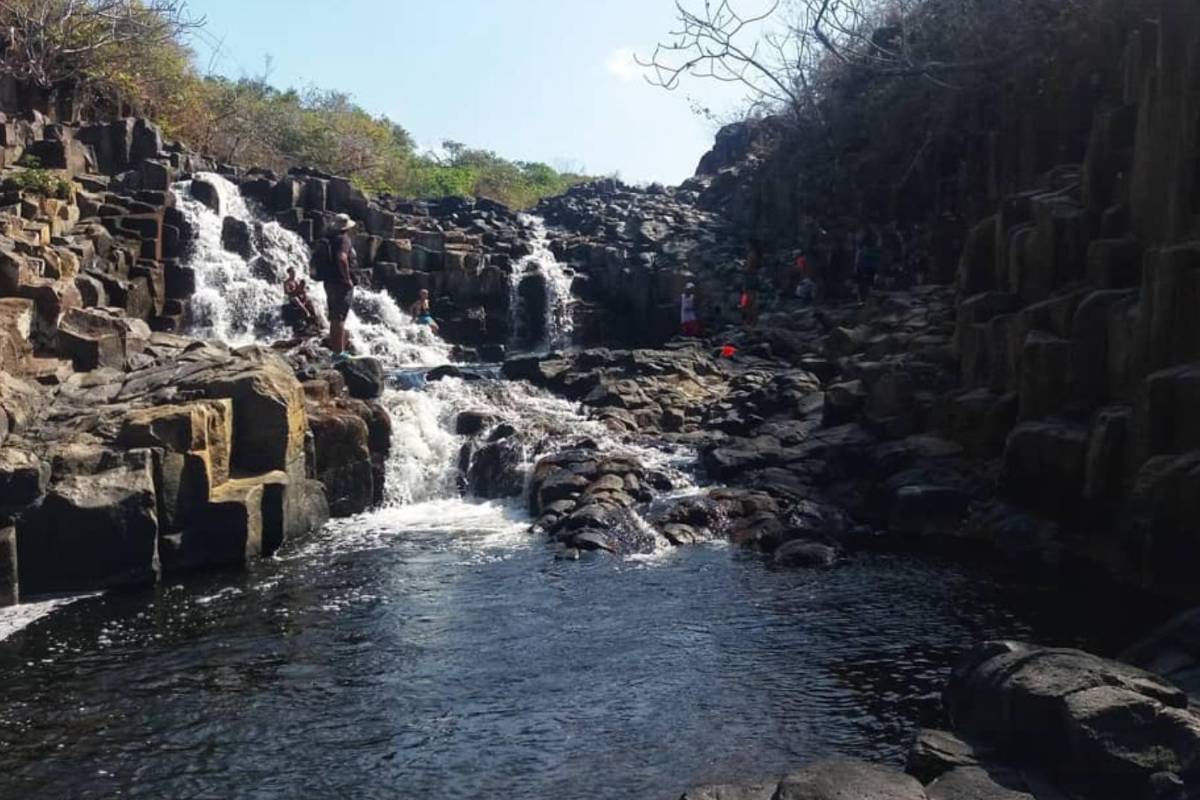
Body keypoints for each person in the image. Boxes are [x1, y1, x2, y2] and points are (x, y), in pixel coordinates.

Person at [323, 213, 357, 358]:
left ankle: (337, 351)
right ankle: (338, 353)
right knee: (339, 317)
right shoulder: (343, 239)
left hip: (329, 282)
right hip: (340, 283)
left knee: (335, 317)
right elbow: (342, 258)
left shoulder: (331, 239)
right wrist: (347, 279)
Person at [741, 241, 763, 328]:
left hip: (750, 278)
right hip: (753, 278)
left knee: (750, 300)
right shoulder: (755, 255)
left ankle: (751, 321)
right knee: (751, 300)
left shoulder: (752, 254)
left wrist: (743, 267)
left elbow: (749, 268)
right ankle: (752, 321)